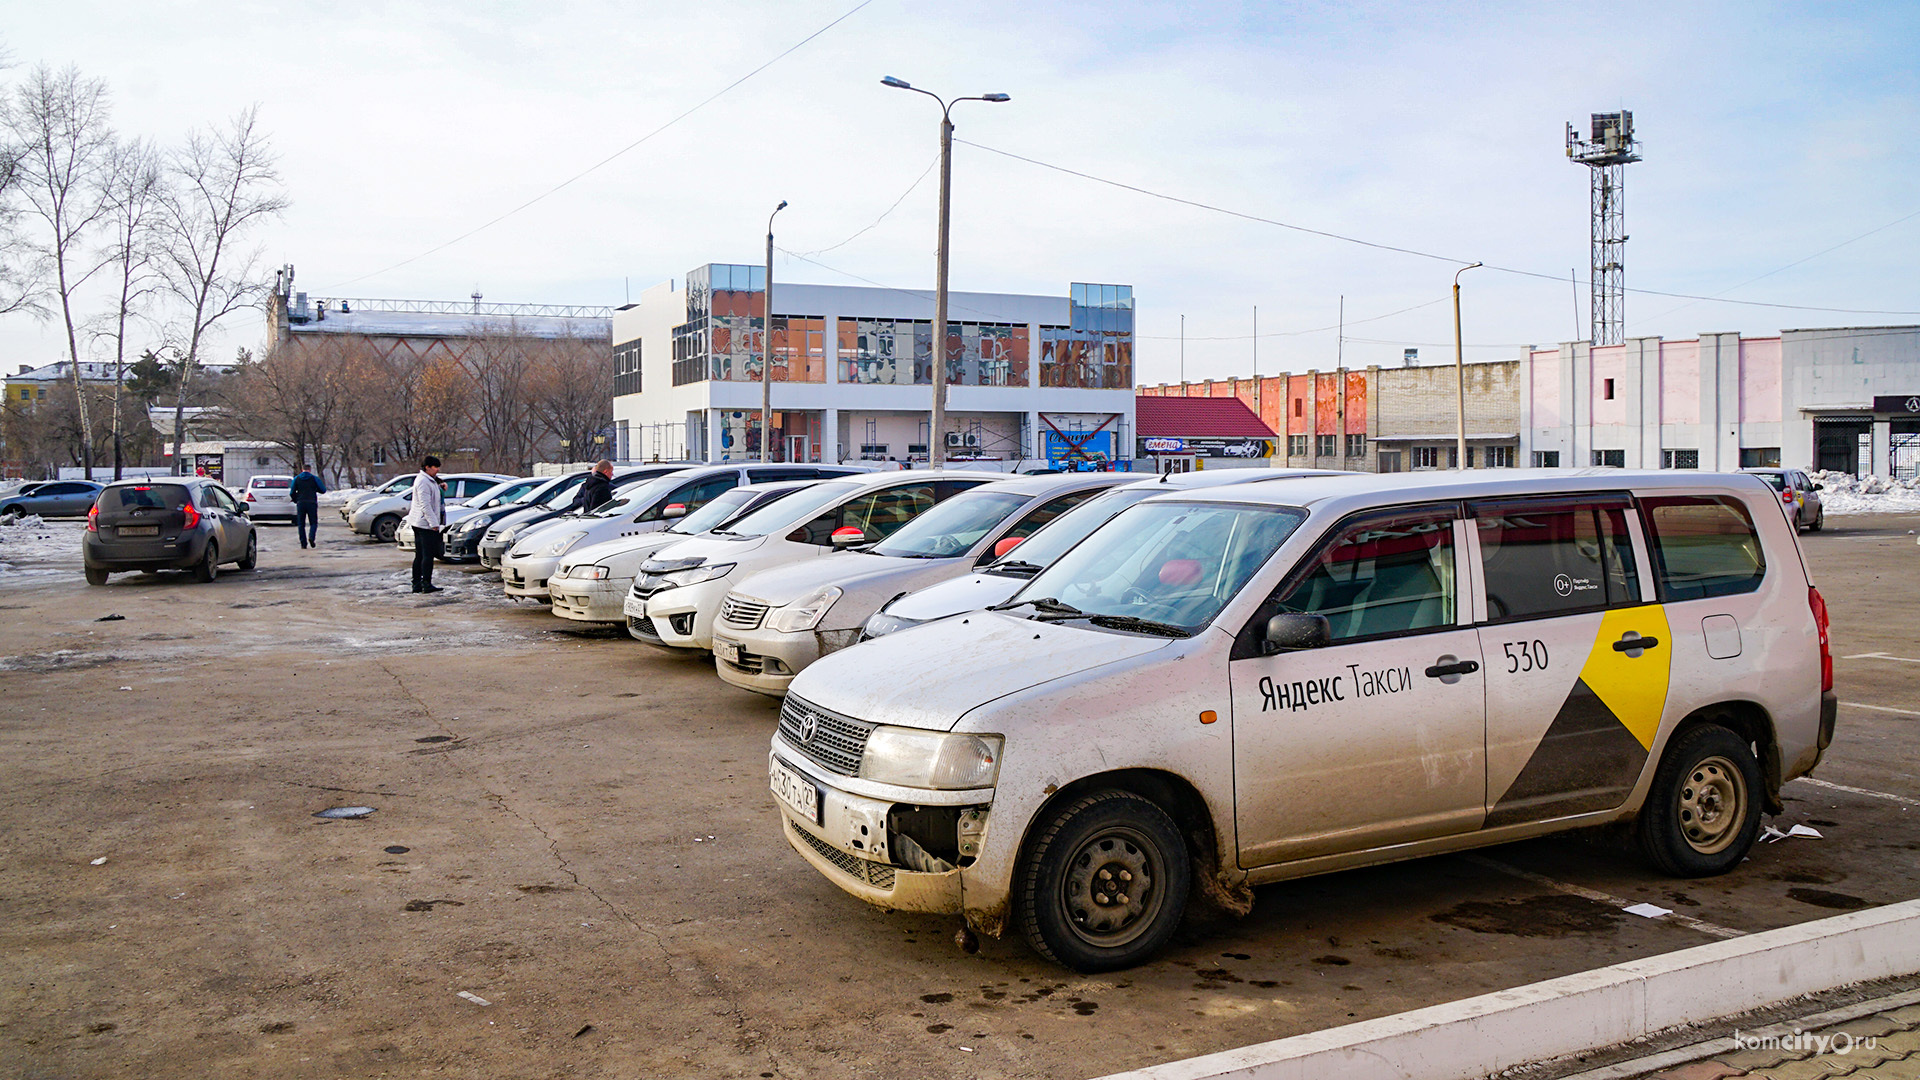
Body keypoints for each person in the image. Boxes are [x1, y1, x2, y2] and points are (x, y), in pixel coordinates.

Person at [406, 456, 446, 593]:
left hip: (420, 522)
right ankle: (426, 584)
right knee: (427, 555)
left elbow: (434, 482)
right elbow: (425, 505)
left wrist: (441, 484)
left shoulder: (428, 479)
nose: (437, 470)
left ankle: (417, 584)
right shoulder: (423, 482)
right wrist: (434, 523)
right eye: (435, 467)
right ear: (427, 467)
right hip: (425, 524)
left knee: (420, 555)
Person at [289, 466, 327, 549]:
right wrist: (315, 489)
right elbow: (323, 490)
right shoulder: (314, 478)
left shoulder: (296, 478)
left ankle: (303, 543)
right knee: (313, 523)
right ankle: (311, 537)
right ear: (310, 470)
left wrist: (296, 499)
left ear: (302, 470)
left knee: (301, 524)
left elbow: (292, 492)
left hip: (301, 503)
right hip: (312, 502)